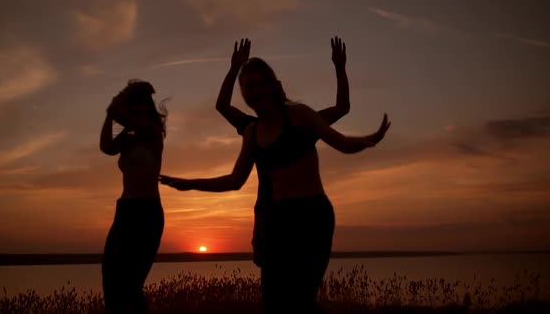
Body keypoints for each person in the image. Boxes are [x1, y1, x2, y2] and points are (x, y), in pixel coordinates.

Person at [160, 50, 390, 312]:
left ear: (272, 86)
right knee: (274, 303)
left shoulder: (301, 116)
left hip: (312, 219)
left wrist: (369, 138)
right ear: (244, 92)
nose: (255, 90)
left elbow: (343, 141)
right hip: (275, 223)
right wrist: (191, 184)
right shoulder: (251, 130)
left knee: (301, 300)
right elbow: (235, 180)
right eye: (249, 86)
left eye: (261, 83)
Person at [215, 37, 351, 268]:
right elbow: (223, 106)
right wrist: (235, 67)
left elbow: (342, 107)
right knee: (275, 295)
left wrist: (340, 67)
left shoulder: (305, 121)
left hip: (306, 219)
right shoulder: (252, 128)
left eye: (270, 87)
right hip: (269, 219)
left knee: (298, 292)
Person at [99, 79, 168, 313]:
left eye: (137, 105)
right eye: (132, 105)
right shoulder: (128, 138)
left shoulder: (152, 131)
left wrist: (122, 98)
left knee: (131, 286)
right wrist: (109, 116)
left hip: (146, 212)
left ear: (145, 107)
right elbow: (106, 146)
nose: (133, 110)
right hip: (125, 210)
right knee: (110, 277)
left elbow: (116, 109)